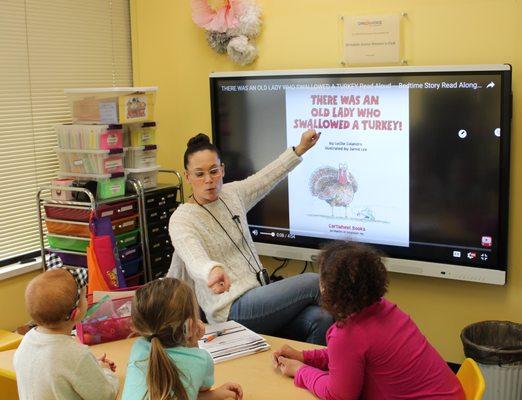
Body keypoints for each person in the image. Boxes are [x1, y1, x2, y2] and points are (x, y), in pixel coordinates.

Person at [168, 130, 333, 345]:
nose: (208, 180)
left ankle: (311, 375)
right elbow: (193, 257)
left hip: (260, 297)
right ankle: (369, 341)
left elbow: (266, 177)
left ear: (223, 170)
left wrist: (300, 149)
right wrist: (212, 270)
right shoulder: (182, 219)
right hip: (230, 310)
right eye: (199, 174)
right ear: (188, 176)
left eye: (214, 171)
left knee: (321, 318)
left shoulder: (232, 194)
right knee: (314, 282)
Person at [273, 241, 465, 400]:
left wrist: (301, 371)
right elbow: (347, 359)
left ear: (329, 289)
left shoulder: (347, 335)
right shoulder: (386, 309)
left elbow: (338, 396)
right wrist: (304, 357)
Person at [122, 277, 242, 400]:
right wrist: (193, 341)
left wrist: (217, 394)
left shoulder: (138, 347)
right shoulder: (201, 360)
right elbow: (199, 390)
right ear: (189, 327)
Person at [14, 268, 119, 400]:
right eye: (84, 297)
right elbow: (105, 395)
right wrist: (105, 371)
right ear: (76, 313)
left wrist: (91, 368)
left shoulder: (26, 341)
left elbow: (55, 374)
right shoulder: (76, 355)